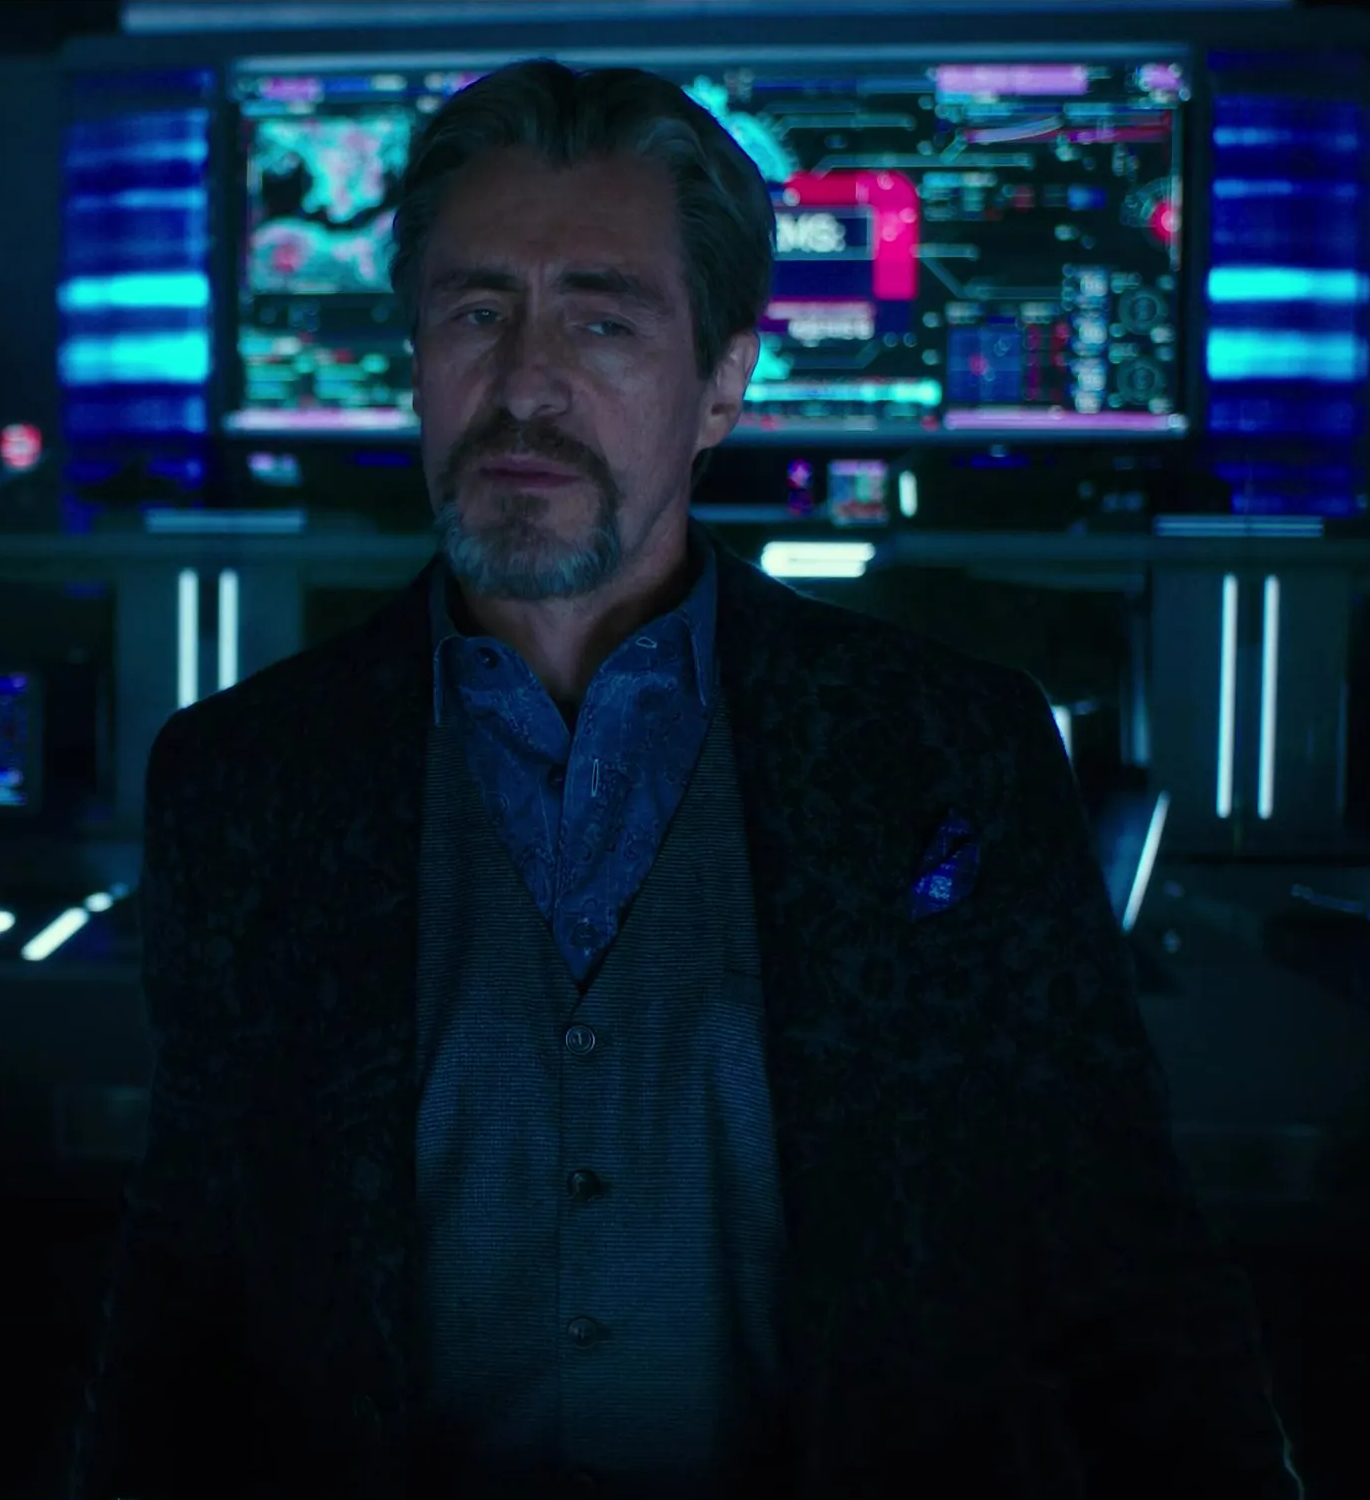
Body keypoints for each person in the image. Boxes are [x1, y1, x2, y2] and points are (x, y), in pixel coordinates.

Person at [69, 58, 1304, 1500]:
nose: (524, 383)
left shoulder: (953, 745)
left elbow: (1121, 1257)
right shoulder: (241, 778)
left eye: (602, 319)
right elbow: (190, 1289)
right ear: (414, 356)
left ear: (723, 381)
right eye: (477, 312)